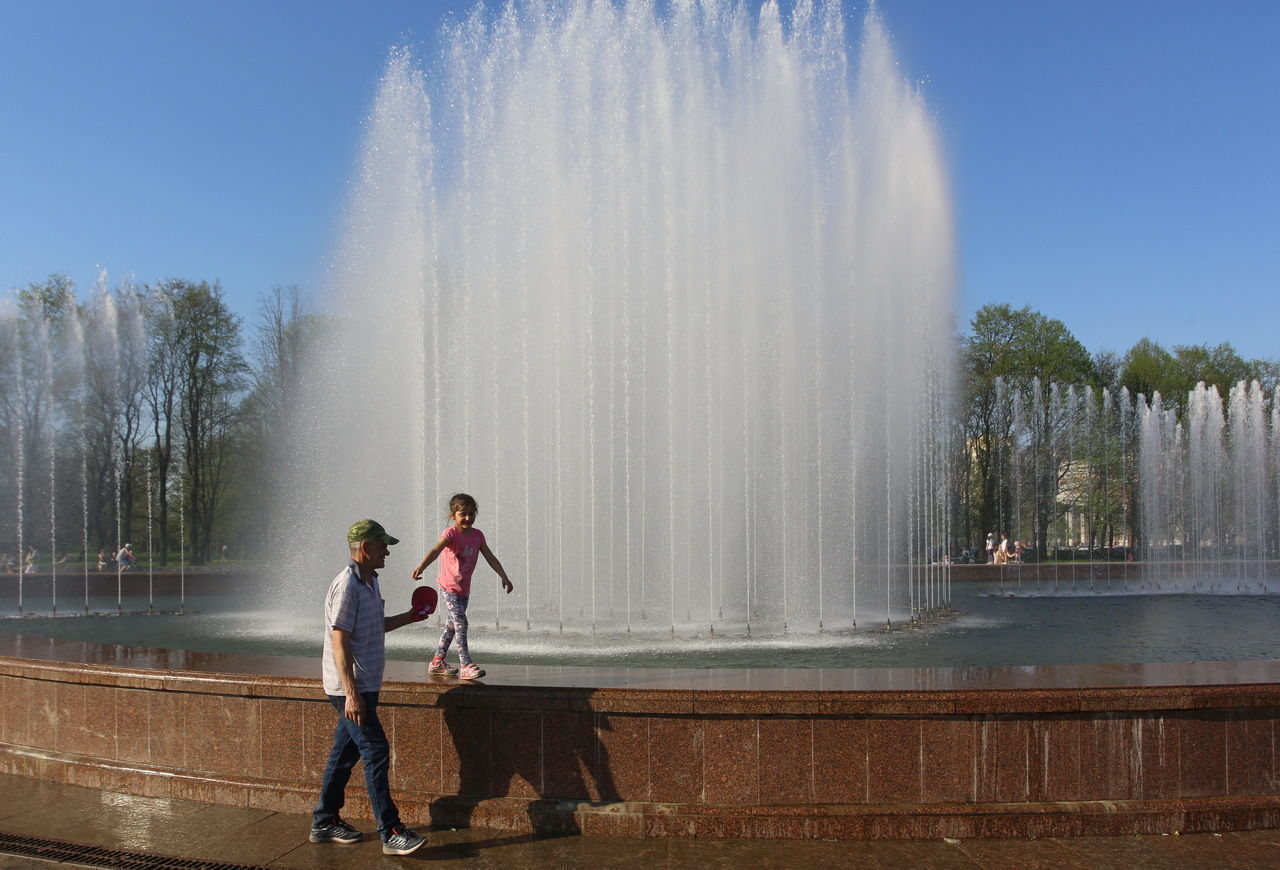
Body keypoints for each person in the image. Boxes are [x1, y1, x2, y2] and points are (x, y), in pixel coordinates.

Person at [311, 518, 429, 856]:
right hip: (351, 688)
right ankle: (390, 831)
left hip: (364, 685)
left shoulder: (370, 582)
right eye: (383, 546)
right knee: (375, 751)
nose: (387, 552)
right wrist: (351, 694)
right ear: (365, 548)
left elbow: (374, 627)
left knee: (344, 755)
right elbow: (339, 641)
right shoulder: (347, 585)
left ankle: (324, 821)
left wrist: (411, 616)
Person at [412, 493, 514, 680]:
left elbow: (490, 557)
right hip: (448, 586)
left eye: (471, 513)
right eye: (463, 514)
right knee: (461, 623)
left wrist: (504, 576)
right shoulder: (450, 533)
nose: (468, 518)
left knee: (452, 626)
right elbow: (436, 550)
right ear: (453, 516)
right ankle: (465, 664)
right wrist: (422, 566)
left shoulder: (477, 535)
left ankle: (436, 662)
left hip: (463, 588)